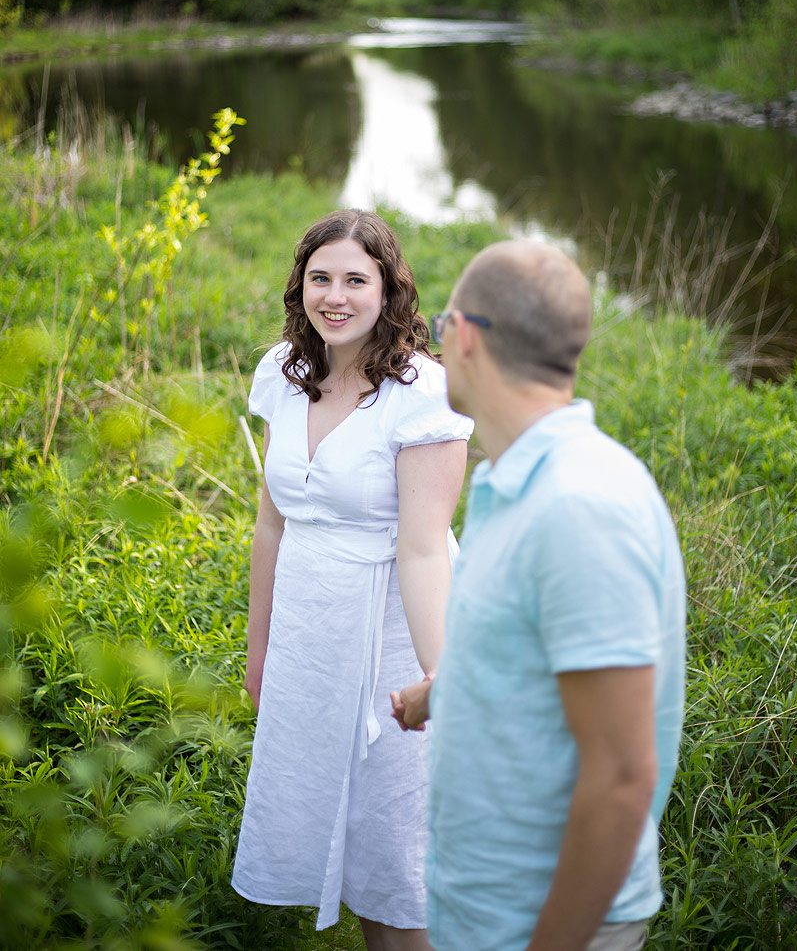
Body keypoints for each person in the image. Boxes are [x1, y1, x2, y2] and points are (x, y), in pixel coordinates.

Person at [391, 240, 686, 951]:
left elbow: (620, 778)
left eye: (438, 330)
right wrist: (443, 692)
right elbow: (535, 649)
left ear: (462, 337)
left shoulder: (577, 508)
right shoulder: (517, 483)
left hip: (543, 920)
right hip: (483, 908)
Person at [231, 208, 473, 951]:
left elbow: (425, 551)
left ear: (388, 291)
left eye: (355, 280)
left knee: (397, 849)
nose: (334, 296)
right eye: (320, 278)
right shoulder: (282, 372)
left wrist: (439, 677)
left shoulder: (422, 392)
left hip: (396, 631)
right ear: (300, 286)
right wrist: (259, 649)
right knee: (334, 819)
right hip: (309, 628)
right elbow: (272, 524)